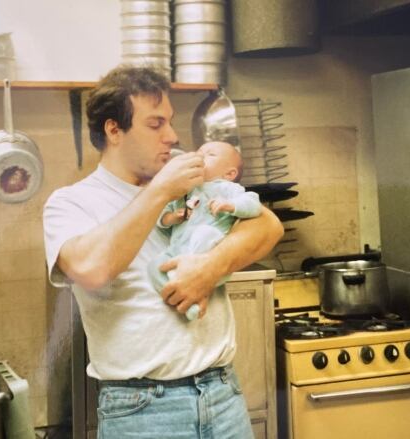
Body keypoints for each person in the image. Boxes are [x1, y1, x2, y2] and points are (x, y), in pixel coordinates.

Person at [42, 66, 283, 439]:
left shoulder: (192, 181)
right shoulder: (72, 203)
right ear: (114, 130)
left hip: (222, 393)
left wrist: (210, 267)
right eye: (155, 125)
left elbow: (267, 225)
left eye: (170, 122)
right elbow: (90, 269)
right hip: (142, 408)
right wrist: (158, 192)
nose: (171, 136)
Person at [149, 141, 261, 321]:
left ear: (229, 173)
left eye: (210, 154)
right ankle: (187, 301)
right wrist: (171, 217)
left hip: (207, 252)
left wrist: (231, 206)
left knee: (204, 233)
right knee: (154, 266)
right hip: (179, 250)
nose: (200, 155)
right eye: (199, 151)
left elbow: (254, 205)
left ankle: (193, 287)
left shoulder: (227, 188)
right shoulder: (185, 188)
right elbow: (162, 216)